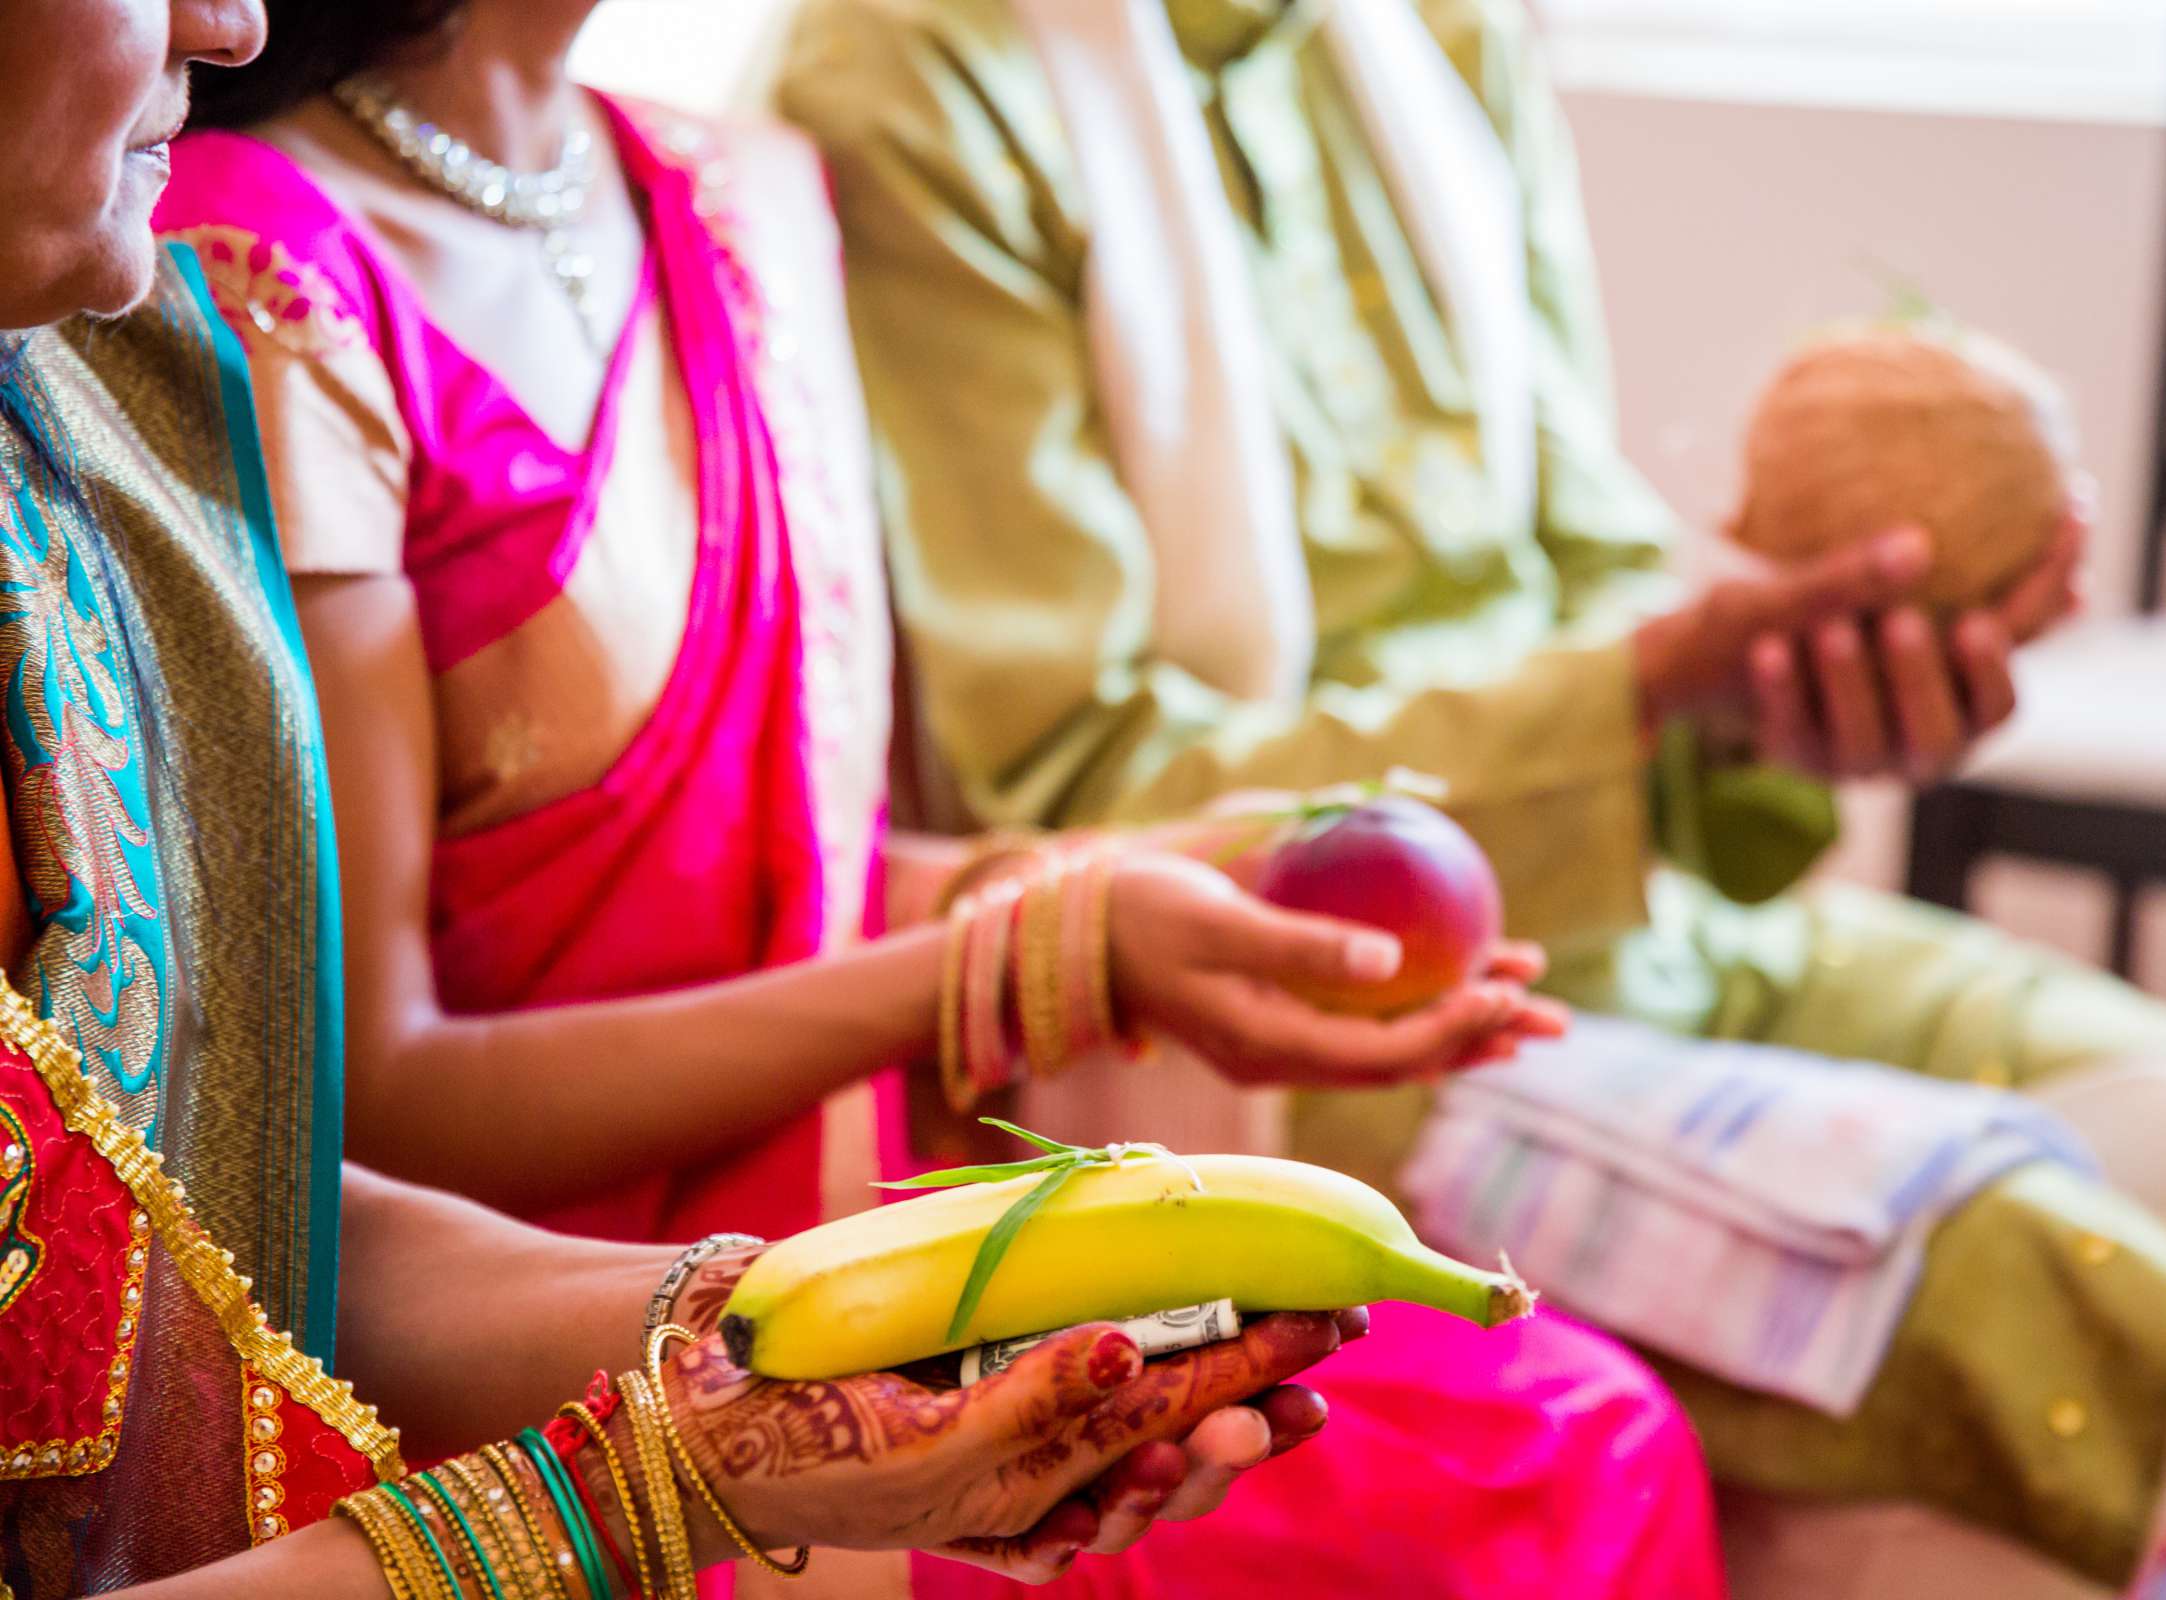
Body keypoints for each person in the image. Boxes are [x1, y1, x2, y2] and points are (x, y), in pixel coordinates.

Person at [154, 3, 1731, 1597]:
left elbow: (772, 870)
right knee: (1533, 1467)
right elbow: (368, 1098)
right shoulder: (253, 263)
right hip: (562, 1347)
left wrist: (1143, 912)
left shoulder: (729, 192)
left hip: (859, 1213)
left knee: (1568, 1425)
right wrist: (1035, 956)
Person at [768, 0, 2166, 1591]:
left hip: (1632, 919)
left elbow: (1590, 570)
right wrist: (1646, 683)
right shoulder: (920, 76)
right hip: (1296, 1020)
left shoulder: (1440, 30)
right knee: (2036, 1288)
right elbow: (1074, 791)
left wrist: (1766, 700)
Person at [0, 1, 1351, 1594]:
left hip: (628, 1273)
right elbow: (366, 1087)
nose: (227, 21)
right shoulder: (234, 274)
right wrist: (663, 1472)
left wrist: (785, 1349)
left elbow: (225, 1222)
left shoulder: (76, 414)